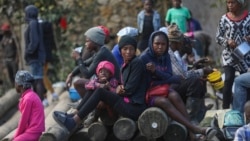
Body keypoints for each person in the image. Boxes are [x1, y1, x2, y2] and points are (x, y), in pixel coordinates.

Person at [53, 35, 148, 133]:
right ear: (120, 51)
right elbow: (121, 85)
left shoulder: (136, 63)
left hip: (133, 108)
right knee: (96, 86)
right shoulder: (126, 64)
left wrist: (115, 89)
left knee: (100, 91)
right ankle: (74, 115)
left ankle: (74, 122)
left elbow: (129, 90)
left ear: (135, 50)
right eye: (125, 49)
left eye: (131, 49)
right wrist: (110, 86)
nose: (128, 52)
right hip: (125, 101)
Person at [140, 31, 217, 140]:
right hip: (148, 92)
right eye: (157, 44)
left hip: (161, 88)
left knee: (175, 95)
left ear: (167, 45)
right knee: (165, 100)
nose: (160, 47)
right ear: (151, 43)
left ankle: (192, 132)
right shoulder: (145, 58)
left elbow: (168, 75)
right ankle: (194, 129)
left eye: (163, 44)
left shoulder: (165, 55)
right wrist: (161, 75)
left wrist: (161, 75)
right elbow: (149, 82)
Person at [168, 24, 213, 124]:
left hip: (172, 82)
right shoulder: (170, 53)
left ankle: (199, 112)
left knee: (198, 78)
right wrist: (202, 71)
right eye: (181, 42)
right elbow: (183, 75)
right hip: (168, 85)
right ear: (177, 43)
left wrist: (196, 66)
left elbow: (183, 72)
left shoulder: (174, 53)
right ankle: (191, 117)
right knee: (195, 81)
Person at [55, 60, 119, 127]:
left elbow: (115, 94)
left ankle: (78, 119)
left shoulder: (113, 82)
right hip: (99, 108)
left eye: (106, 72)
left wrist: (108, 87)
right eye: (101, 71)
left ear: (110, 74)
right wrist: (99, 85)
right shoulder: (96, 80)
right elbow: (88, 86)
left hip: (110, 113)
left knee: (97, 91)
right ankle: (75, 114)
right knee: (91, 90)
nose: (103, 73)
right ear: (98, 73)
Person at [65, 26, 120, 97]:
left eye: (87, 41)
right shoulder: (100, 51)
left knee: (78, 83)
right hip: (105, 84)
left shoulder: (102, 53)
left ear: (95, 41)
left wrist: (78, 58)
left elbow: (87, 74)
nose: (85, 44)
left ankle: (88, 107)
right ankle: (83, 106)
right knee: (91, 83)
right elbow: (84, 63)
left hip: (112, 87)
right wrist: (71, 74)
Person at [215, 0, 250, 109]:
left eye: (233, 3)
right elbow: (218, 37)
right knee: (228, 79)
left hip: (245, 55)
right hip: (229, 56)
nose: (230, 5)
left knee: (245, 81)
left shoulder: (248, 18)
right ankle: (225, 110)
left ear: (239, 3)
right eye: (228, 3)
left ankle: (247, 108)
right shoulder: (224, 19)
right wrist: (227, 41)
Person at [24, 5, 47, 106]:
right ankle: (39, 102)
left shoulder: (33, 23)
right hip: (37, 55)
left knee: (37, 79)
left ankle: (38, 103)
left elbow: (34, 41)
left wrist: (28, 51)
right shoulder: (34, 22)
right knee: (37, 79)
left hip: (35, 56)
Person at [13, 70, 45, 141]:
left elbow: (24, 120)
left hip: (33, 132)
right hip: (33, 130)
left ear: (20, 85)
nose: (15, 85)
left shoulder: (28, 98)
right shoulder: (30, 95)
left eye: (16, 83)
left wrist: (16, 136)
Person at [39, 20, 59, 106]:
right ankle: (51, 93)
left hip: (41, 56)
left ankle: (46, 97)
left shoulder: (38, 28)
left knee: (42, 76)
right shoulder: (47, 28)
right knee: (44, 76)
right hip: (47, 55)